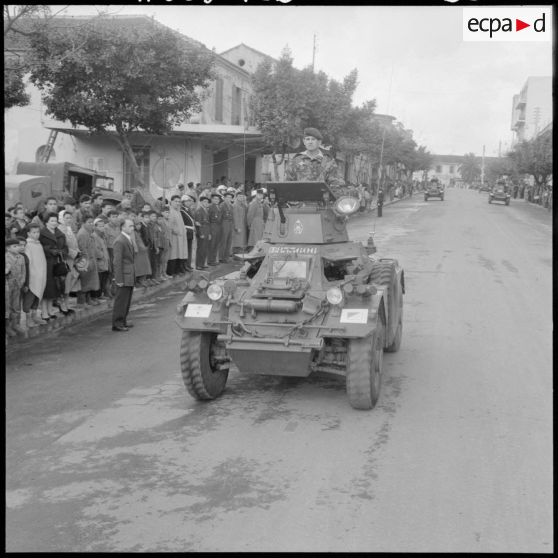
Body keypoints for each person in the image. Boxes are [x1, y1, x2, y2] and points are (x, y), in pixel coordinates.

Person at [285, 127, 345, 197]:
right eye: (308, 139)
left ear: (319, 142)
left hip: (322, 204)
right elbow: (288, 183)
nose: (310, 142)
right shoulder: (295, 160)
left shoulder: (328, 161)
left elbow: (336, 183)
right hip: (300, 203)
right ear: (304, 142)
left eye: (313, 139)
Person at [39, 212, 69, 319]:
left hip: (58, 263)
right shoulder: (42, 233)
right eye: (51, 221)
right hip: (46, 263)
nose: (54, 223)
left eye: (55, 221)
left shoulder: (60, 234)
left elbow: (66, 248)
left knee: (57, 287)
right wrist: (50, 250)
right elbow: (40, 247)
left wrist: (62, 252)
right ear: (46, 222)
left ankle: (50, 309)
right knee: (47, 287)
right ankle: (44, 311)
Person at [111, 218, 136, 332]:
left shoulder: (127, 238)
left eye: (132, 226)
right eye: (130, 226)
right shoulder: (120, 241)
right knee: (121, 300)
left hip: (129, 274)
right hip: (124, 276)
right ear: (123, 227)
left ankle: (123, 320)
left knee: (127, 300)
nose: (132, 228)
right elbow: (117, 261)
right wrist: (119, 279)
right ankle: (117, 323)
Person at [23, 223, 48, 327]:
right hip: (33, 276)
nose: (36, 234)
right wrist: (29, 277)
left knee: (37, 297)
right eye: (34, 232)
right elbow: (28, 262)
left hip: (41, 275)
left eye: (38, 232)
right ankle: (28, 318)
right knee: (30, 297)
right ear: (28, 233)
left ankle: (34, 316)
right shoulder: (28, 245)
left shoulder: (39, 244)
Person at [76, 215, 100, 306]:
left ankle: (88, 299)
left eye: (92, 223)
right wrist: (87, 261)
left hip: (91, 259)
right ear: (83, 223)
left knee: (90, 281)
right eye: (89, 222)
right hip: (85, 261)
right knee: (84, 281)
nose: (91, 224)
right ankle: (81, 301)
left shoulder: (89, 232)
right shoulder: (82, 234)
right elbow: (82, 248)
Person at [5, 237, 28, 336]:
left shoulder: (21, 257)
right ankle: (7, 327)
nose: (18, 248)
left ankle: (15, 324)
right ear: (8, 248)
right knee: (7, 306)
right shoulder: (6, 257)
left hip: (18, 284)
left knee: (16, 306)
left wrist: (22, 281)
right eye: (15, 246)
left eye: (18, 246)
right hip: (8, 285)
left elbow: (24, 271)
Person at [167, 195, 188, 276]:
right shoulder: (170, 211)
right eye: (176, 201)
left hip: (180, 237)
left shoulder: (178, 211)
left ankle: (177, 270)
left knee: (179, 254)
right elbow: (170, 225)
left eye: (179, 201)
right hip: (174, 237)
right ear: (171, 202)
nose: (177, 203)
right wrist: (177, 231)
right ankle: (171, 272)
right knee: (173, 254)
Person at [91, 217, 112, 299]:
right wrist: (102, 256)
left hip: (105, 260)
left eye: (103, 226)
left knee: (104, 278)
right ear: (95, 227)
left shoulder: (102, 236)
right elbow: (96, 250)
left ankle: (102, 294)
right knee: (100, 278)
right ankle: (97, 295)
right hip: (100, 261)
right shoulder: (94, 236)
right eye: (100, 226)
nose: (102, 228)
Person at [133, 214, 153, 287]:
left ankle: (142, 280)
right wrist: (144, 248)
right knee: (139, 268)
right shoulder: (134, 233)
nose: (139, 226)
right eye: (137, 224)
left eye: (139, 224)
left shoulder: (140, 232)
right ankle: (139, 281)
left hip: (143, 252)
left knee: (144, 267)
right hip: (138, 252)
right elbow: (137, 242)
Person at [180, 195, 196, 271]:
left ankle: (188, 264)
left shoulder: (188, 210)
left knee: (189, 250)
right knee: (185, 250)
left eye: (190, 201)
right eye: (187, 201)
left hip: (190, 233)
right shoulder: (181, 211)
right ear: (183, 202)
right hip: (186, 233)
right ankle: (185, 265)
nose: (189, 202)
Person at [194, 196, 211, 269]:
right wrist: (200, 233)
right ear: (201, 202)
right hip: (202, 232)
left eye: (207, 202)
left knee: (205, 249)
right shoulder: (199, 211)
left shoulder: (205, 210)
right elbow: (198, 224)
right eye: (204, 201)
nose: (206, 203)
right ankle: (198, 265)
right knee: (201, 249)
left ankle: (203, 263)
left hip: (206, 231)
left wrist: (209, 233)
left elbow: (208, 223)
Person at [219, 191, 235, 263]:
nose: (229, 199)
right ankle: (221, 257)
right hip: (224, 223)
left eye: (230, 197)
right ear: (224, 198)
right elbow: (220, 217)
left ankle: (226, 257)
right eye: (227, 197)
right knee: (223, 241)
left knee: (229, 241)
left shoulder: (231, 206)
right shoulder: (222, 205)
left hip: (230, 223)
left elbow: (233, 216)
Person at [207, 192, 222, 266]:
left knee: (216, 244)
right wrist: (209, 231)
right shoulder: (210, 207)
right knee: (212, 244)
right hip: (212, 226)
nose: (216, 200)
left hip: (218, 227)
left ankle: (213, 259)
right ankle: (210, 260)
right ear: (212, 199)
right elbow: (208, 219)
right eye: (215, 199)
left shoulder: (218, 207)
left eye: (218, 199)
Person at [232, 190, 248, 255]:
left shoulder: (242, 205)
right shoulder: (235, 205)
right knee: (237, 239)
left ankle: (239, 251)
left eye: (242, 196)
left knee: (241, 239)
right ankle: (236, 252)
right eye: (239, 196)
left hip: (242, 224)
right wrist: (237, 227)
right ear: (236, 197)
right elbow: (235, 217)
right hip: (238, 225)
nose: (241, 198)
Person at [158, 208, 172, 279]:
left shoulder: (168, 221)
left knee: (166, 260)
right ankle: (160, 274)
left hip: (168, 242)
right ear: (162, 213)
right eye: (166, 212)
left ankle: (164, 273)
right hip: (163, 243)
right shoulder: (160, 221)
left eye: (168, 212)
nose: (168, 214)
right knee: (161, 260)